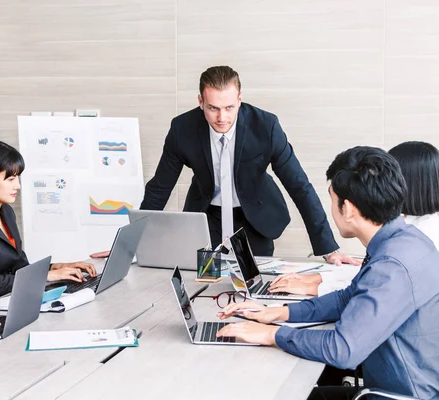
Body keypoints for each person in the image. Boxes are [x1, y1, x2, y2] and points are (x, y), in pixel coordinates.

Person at [217, 146, 439, 399]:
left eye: (332, 201)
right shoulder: (406, 240)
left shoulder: (392, 265)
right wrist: (280, 313)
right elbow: (348, 297)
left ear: (348, 209)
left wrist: (271, 334)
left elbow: (342, 349)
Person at [140, 65, 356, 266]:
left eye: (229, 107)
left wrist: (329, 248)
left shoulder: (266, 127)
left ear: (240, 99)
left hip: (254, 218)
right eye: (213, 108)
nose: (221, 117)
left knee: (252, 285)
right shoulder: (182, 129)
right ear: (200, 101)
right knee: (206, 281)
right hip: (207, 218)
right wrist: (133, 246)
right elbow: (159, 187)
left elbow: (299, 186)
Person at [0, 140, 96, 311]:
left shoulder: (6, 212)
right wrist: (47, 276)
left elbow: (18, 267)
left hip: (4, 301)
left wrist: (57, 267)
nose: (18, 186)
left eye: (18, 178)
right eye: (11, 179)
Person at [268, 141, 439, 297]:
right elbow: (367, 276)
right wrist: (317, 278)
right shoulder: (408, 224)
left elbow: (377, 289)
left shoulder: (421, 236)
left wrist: (314, 287)